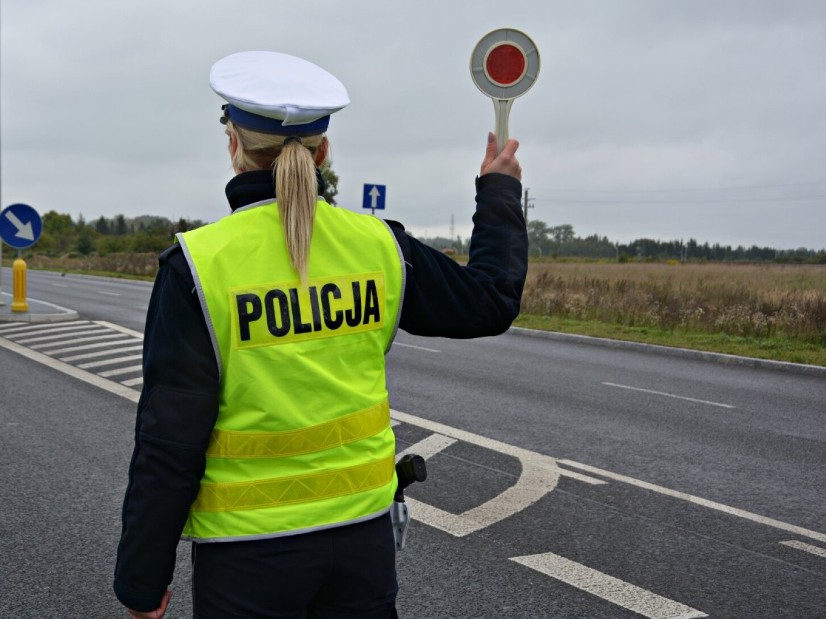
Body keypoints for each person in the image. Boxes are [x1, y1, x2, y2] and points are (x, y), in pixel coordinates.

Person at [114, 50, 528, 619]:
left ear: (233, 144)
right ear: (324, 151)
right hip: (361, 544)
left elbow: (169, 443)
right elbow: (489, 302)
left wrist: (143, 580)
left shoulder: (197, 266)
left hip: (246, 556)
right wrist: (499, 192)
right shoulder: (380, 246)